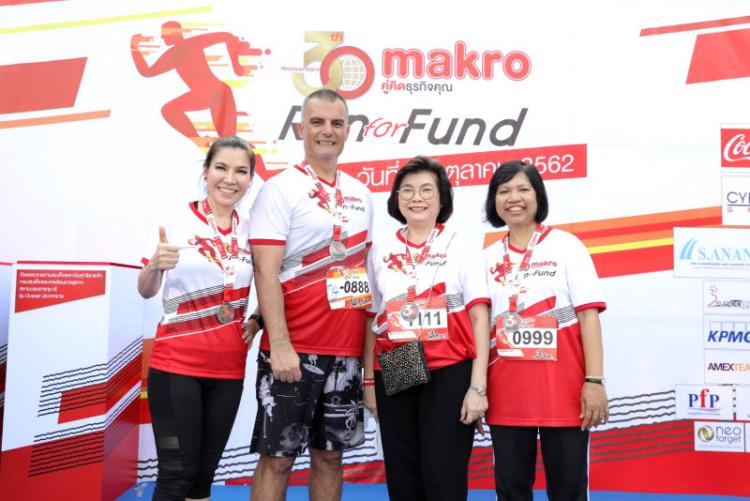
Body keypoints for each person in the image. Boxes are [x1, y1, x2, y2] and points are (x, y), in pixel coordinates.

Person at [248, 88, 373, 501]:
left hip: (346, 351)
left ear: (348, 130)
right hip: (293, 350)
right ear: (301, 128)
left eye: (337, 123)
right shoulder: (279, 189)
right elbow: (265, 270)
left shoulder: (361, 193)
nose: (327, 131)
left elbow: (362, 273)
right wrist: (280, 343)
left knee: (331, 457)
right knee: (278, 459)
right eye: (317, 122)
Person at [137, 136, 260, 501]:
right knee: (176, 476)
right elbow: (145, 290)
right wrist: (155, 266)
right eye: (221, 168)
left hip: (228, 370)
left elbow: (273, 282)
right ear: (206, 172)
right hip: (176, 367)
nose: (230, 179)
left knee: (203, 478)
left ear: (250, 179)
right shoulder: (175, 219)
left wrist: (257, 320)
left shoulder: (253, 227)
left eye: (240, 171)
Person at [363, 156, 491, 501]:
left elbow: (480, 317)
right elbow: (372, 320)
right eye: (407, 190)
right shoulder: (381, 249)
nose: (416, 198)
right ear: (396, 198)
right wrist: (369, 382)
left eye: (426, 190)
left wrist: (478, 387)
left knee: (443, 475)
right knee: (404, 475)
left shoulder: (462, 244)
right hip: (398, 362)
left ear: (442, 198)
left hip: (450, 367)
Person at [482, 160, 609, 501]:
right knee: (511, 492)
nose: (514, 198)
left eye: (523, 189)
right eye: (504, 191)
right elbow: (478, 327)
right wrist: (477, 390)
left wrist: (594, 381)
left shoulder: (567, 246)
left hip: (564, 393)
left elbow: (589, 317)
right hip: (506, 394)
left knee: (568, 491)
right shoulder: (486, 257)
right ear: (494, 200)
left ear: (538, 195)